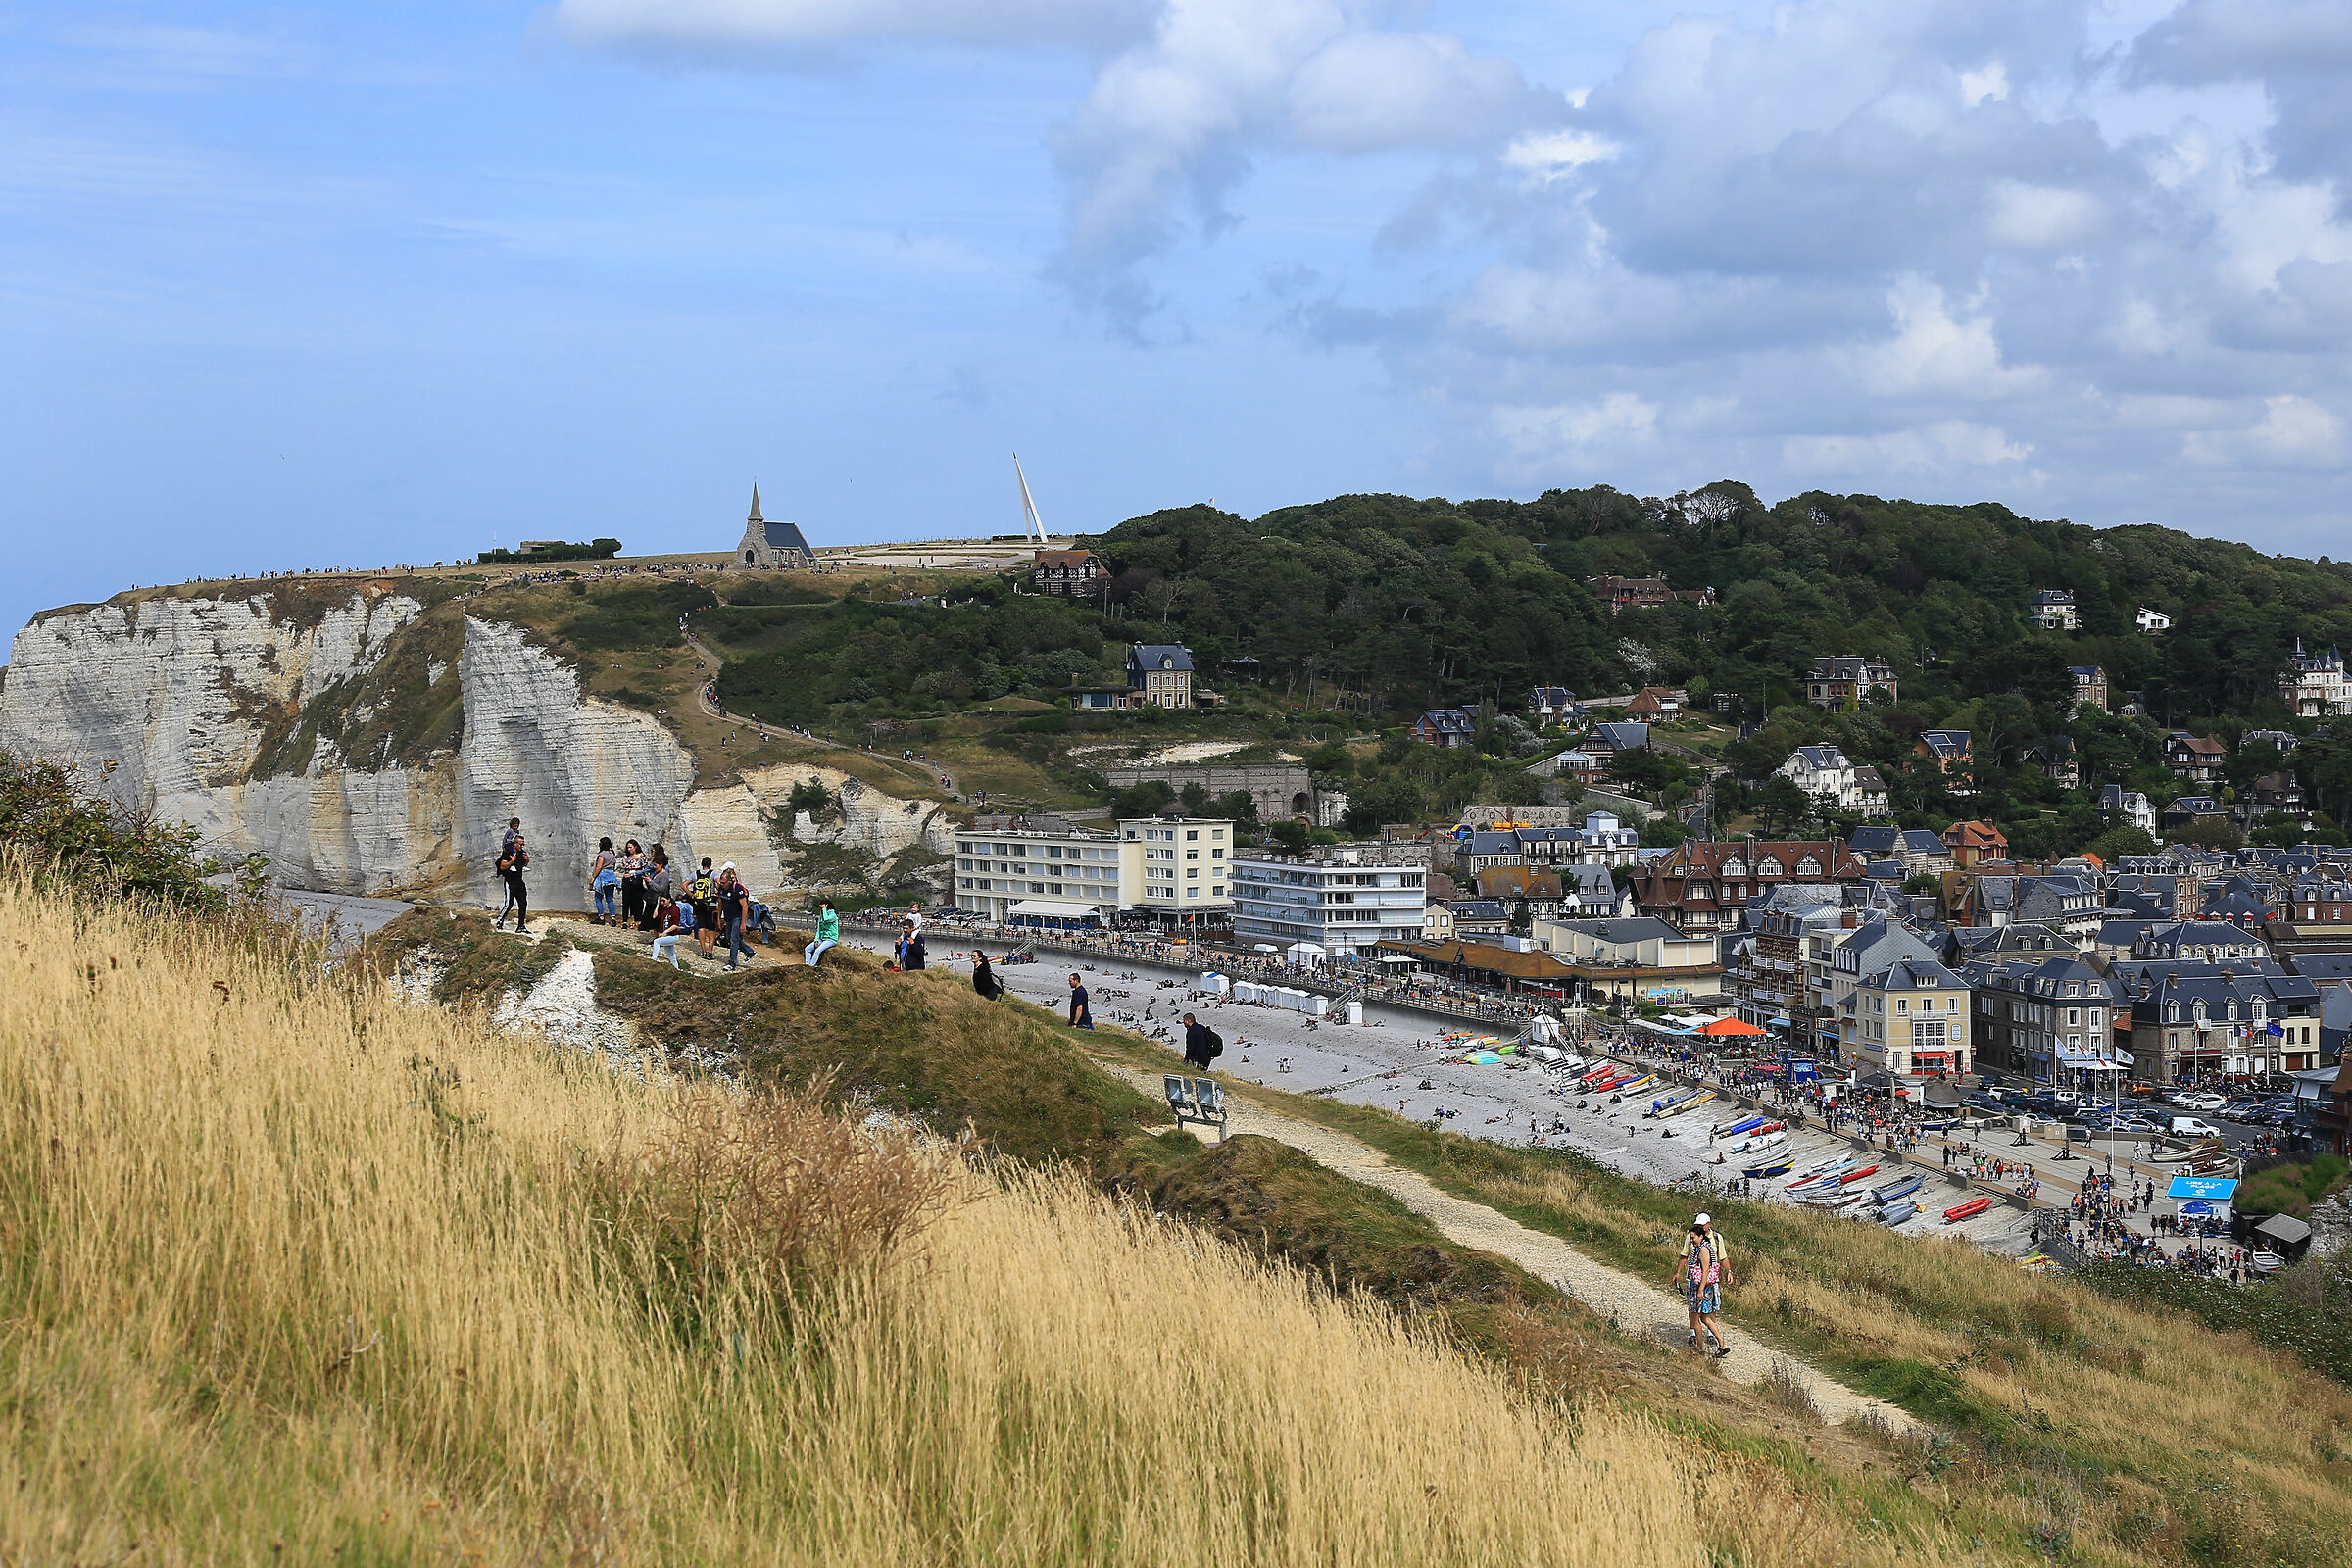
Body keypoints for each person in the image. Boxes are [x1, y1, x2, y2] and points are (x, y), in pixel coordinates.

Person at [1676, 1213, 1734, 1357]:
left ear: (1701, 1236)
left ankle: (1700, 1348)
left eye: (1693, 1238)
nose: (1691, 1240)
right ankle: (1722, 1344)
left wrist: (1700, 1289)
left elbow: (1706, 1269)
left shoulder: (1703, 1249)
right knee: (1705, 1318)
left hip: (1700, 1287)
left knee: (1696, 1317)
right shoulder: (1703, 1246)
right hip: (1703, 1286)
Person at [494, 828, 530, 933]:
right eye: (521, 844)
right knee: (509, 904)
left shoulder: (522, 853)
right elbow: (502, 866)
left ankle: (521, 926)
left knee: (523, 904)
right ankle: (499, 921)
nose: (522, 846)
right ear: (515, 844)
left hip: (519, 882)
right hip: (510, 882)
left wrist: (527, 861)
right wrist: (511, 861)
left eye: (523, 844)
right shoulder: (508, 854)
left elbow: (522, 865)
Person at [716, 864, 751, 971]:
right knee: (729, 937)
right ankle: (749, 952)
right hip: (728, 917)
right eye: (721, 883)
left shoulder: (737, 888)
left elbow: (745, 906)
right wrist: (719, 918)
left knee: (734, 940)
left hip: (737, 917)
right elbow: (720, 903)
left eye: (724, 883)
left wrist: (743, 924)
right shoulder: (721, 889)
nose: (722, 885)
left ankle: (732, 963)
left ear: (729, 881)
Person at [688, 858, 719, 958]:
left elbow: (683, 885)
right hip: (711, 904)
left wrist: (692, 895)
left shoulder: (695, 874)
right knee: (712, 928)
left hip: (698, 904)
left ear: (701, 864)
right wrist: (717, 891)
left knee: (701, 927)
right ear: (710, 864)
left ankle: (703, 951)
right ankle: (710, 951)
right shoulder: (713, 874)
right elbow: (719, 882)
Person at [650, 893, 688, 969]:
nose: (662, 902)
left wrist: (666, 931)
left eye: (664, 900)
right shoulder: (663, 909)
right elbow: (654, 916)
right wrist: (657, 904)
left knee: (656, 941)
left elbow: (676, 925)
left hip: (673, 936)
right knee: (671, 956)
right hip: (667, 936)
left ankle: (653, 960)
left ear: (669, 899)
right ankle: (676, 969)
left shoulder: (675, 909)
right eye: (661, 901)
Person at [639, 846, 673, 931]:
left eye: (656, 865)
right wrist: (647, 881)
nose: (654, 867)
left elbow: (661, 888)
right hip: (652, 900)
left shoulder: (664, 875)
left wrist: (650, 881)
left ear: (661, 865)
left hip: (658, 901)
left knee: (655, 923)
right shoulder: (656, 873)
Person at [590, 836, 620, 925]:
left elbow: (599, 867)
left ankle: (601, 917)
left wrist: (593, 877)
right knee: (610, 898)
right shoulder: (612, 855)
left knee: (598, 897)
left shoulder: (602, 855)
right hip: (611, 877)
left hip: (602, 877)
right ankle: (613, 918)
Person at [617, 839, 648, 927]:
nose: (629, 849)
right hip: (627, 879)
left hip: (637, 878)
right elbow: (624, 867)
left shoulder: (641, 856)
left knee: (637, 899)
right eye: (628, 847)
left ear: (635, 847)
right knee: (626, 899)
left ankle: (638, 918)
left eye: (631, 847)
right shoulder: (626, 857)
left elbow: (645, 868)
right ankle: (625, 920)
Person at [805, 898, 840, 967]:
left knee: (817, 951)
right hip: (822, 938)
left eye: (822, 906)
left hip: (831, 939)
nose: (821, 908)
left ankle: (811, 966)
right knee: (807, 949)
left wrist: (824, 909)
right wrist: (816, 939)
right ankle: (807, 965)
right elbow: (819, 929)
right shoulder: (821, 917)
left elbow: (826, 919)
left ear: (827, 905)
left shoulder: (833, 915)